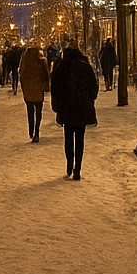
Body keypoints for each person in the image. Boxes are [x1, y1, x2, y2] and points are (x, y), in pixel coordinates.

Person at [51, 37, 99, 180]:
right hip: (81, 106)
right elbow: (93, 89)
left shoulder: (61, 66)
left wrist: (58, 104)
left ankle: (69, 164)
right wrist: (88, 99)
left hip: (66, 107)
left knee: (68, 137)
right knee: (80, 138)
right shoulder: (85, 66)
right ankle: (77, 166)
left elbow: (55, 88)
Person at [20, 44, 49, 142]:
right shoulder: (41, 61)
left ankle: (31, 129)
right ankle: (36, 131)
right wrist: (45, 86)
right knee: (38, 112)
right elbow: (46, 74)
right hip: (38, 89)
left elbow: (21, 74)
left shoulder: (25, 61)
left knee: (30, 111)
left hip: (28, 90)